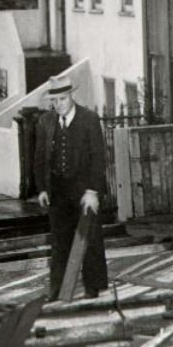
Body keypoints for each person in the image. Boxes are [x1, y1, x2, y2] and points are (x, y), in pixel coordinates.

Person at [33, 74, 108, 301]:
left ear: (71, 96)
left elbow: (98, 158)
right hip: (58, 189)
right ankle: (57, 290)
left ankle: (92, 288)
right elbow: (40, 158)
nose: (58, 105)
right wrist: (43, 189)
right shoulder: (45, 122)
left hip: (84, 190)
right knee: (59, 241)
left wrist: (93, 191)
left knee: (89, 237)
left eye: (63, 100)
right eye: (54, 101)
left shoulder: (89, 120)